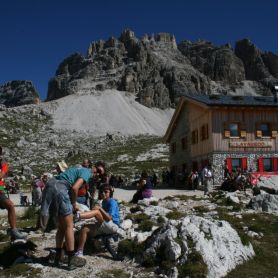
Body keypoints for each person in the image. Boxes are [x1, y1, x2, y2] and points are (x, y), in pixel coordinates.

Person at [40, 165, 94, 270]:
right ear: (93, 168)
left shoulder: (75, 169)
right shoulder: (87, 172)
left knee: (61, 227)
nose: (96, 176)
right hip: (60, 189)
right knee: (69, 226)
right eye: (97, 173)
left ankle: (58, 257)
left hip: (50, 186)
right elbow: (75, 188)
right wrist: (73, 204)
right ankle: (71, 260)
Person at [75, 185, 124, 257]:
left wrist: (100, 209)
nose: (103, 193)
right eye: (101, 192)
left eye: (106, 192)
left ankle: (78, 216)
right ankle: (80, 252)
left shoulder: (112, 202)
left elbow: (109, 218)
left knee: (97, 211)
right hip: (105, 225)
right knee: (84, 229)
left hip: (113, 226)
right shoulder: (104, 202)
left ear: (110, 193)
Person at [0, 147, 26, 241]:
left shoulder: (4, 164)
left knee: (10, 205)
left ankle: (13, 230)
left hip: (0, 192)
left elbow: (1, 175)